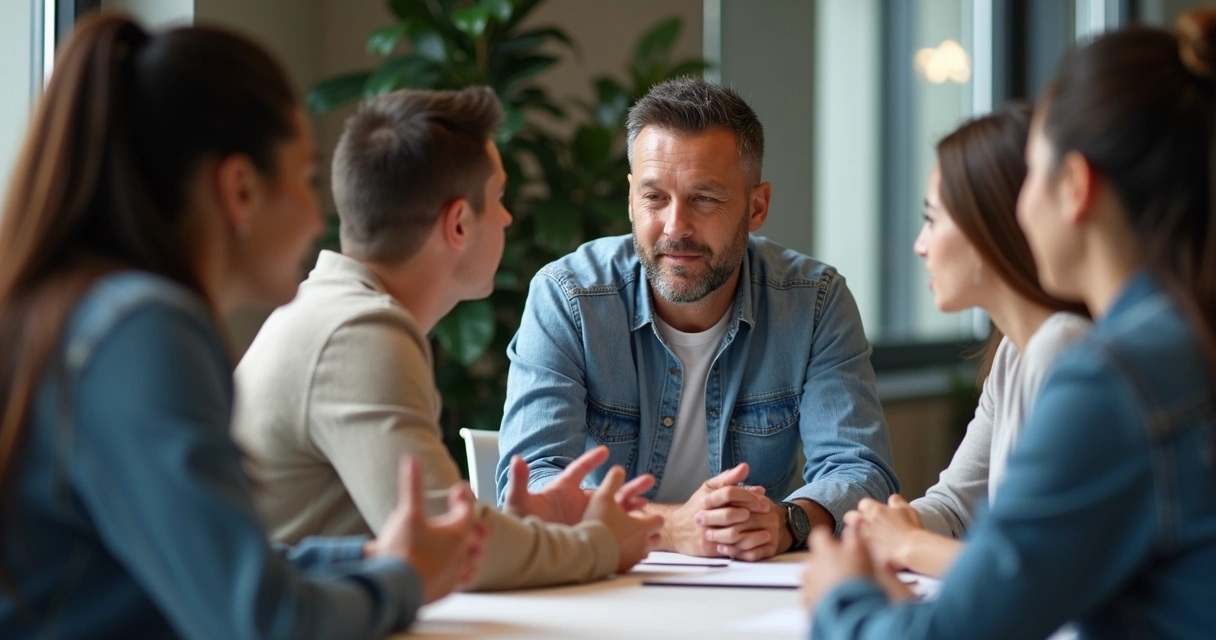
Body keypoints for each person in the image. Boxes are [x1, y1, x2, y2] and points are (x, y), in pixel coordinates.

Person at [0, 14, 484, 640]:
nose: (320, 219)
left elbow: (206, 559)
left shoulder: (83, 313)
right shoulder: (147, 331)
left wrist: (366, 559)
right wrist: (404, 580)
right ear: (241, 190)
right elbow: (263, 622)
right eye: (308, 180)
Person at [803, 12, 1216, 639]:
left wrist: (844, 599)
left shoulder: (1114, 375)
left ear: (1074, 185)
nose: (1021, 209)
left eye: (1034, 173)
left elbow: (967, 628)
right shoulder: (1176, 342)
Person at [232, 87, 663, 591]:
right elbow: (454, 549)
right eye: (499, 198)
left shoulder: (334, 313)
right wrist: (602, 544)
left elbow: (438, 532)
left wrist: (528, 528)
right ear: (458, 223)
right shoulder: (358, 335)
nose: (506, 217)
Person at [496, 76, 899, 561]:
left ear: (757, 206)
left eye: (704, 198)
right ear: (630, 199)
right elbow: (532, 489)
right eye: (654, 197)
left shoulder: (814, 302)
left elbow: (862, 471)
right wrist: (667, 528)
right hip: (607, 585)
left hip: (752, 591)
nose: (675, 227)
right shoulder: (569, 298)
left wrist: (785, 522)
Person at [841, 104, 1090, 578]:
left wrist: (908, 544)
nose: (920, 244)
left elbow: (1030, 571)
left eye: (932, 219)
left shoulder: (1067, 351)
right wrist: (896, 523)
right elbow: (957, 506)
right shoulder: (1017, 352)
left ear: (989, 227)